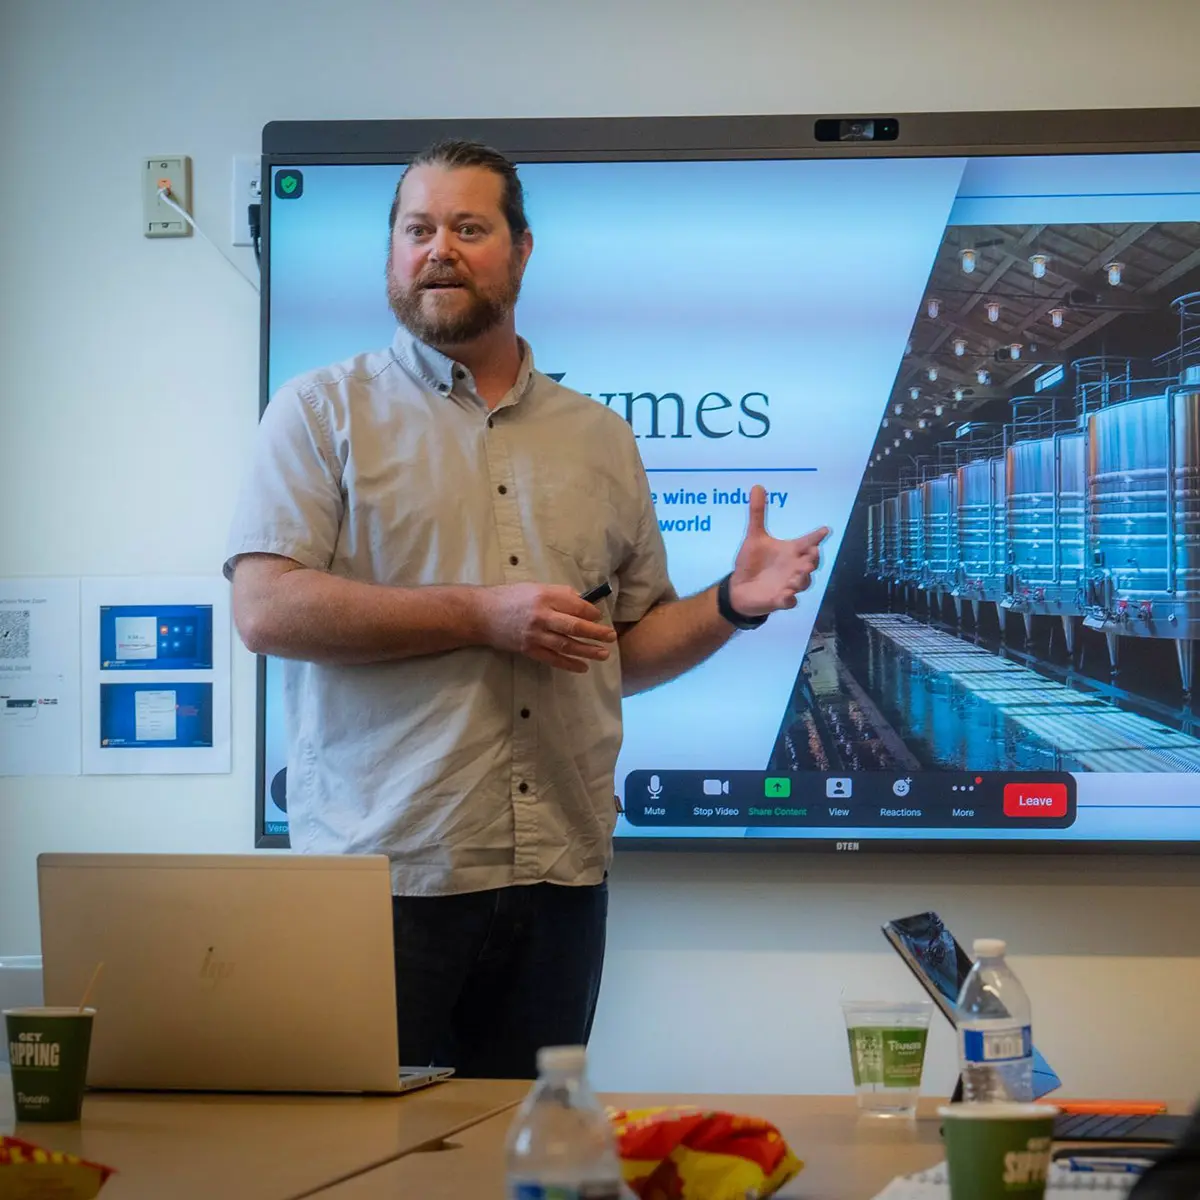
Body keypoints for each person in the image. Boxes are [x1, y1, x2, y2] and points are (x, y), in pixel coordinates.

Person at [225, 139, 829, 1079]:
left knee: (531, 1164)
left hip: (561, 876)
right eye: (418, 229)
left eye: (469, 228)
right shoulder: (318, 412)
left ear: (521, 250)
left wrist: (730, 604)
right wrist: (480, 614)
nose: (440, 250)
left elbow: (620, 650)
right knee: (382, 1170)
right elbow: (266, 611)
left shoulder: (600, 437)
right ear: (390, 252)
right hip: (390, 878)